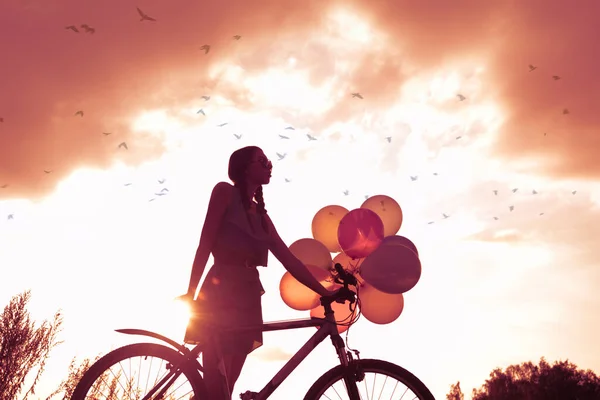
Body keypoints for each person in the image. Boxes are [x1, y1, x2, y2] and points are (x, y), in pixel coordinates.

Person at [178, 146, 336, 400]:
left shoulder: (262, 217)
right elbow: (205, 242)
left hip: (248, 294)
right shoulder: (224, 192)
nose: (269, 165)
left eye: (269, 160)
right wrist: (190, 292)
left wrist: (325, 291)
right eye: (262, 161)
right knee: (215, 384)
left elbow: (290, 261)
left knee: (227, 384)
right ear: (244, 167)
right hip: (221, 291)